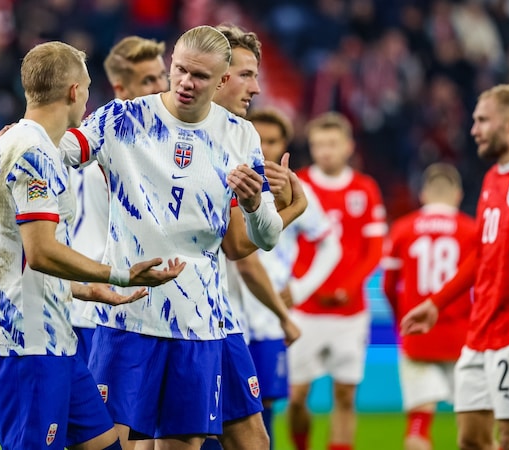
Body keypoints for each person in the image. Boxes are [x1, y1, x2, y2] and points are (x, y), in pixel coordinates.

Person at [61, 26, 285, 450]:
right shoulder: (120, 119)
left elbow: (267, 236)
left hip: (198, 319)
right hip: (128, 315)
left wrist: (255, 205)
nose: (186, 82)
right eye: (180, 70)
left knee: (186, 443)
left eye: (200, 76)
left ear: (221, 80)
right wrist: (25, 139)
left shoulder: (240, 136)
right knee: (107, 442)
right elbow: (61, 152)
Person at [0, 41, 184, 450]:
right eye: (88, 89)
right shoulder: (32, 150)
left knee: (107, 444)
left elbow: (25, 257)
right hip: (29, 343)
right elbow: (40, 252)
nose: (89, 99)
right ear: (74, 92)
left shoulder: (23, 143)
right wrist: (120, 274)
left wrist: (90, 291)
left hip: (57, 337)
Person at [401, 83, 509, 450]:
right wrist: (437, 302)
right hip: (480, 330)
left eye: (482, 120)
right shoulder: (492, 179)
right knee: (470, 439)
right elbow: (481, 256)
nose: (474, 129)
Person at [203, 24, 303, 450]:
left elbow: (244, 241)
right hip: (175, 315)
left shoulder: (240, 138)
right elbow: (239, 249)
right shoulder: (159, 129)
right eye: (246, 74)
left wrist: (276, 209)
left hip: (217, 314)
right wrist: (293, 209)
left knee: (249, 436)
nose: (257, 87)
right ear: (219, 75)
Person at [289, 111, 387, 450]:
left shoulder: (365, 188)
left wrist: (349, 286)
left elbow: (375, 250)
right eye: (318, 144)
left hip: (350, 312)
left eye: (332, 144)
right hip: (304, 310)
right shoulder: (297, 184)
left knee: (345, 395)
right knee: (297, 396)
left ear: (348, 146)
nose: (325, 151)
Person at [245, 107, 341, 450]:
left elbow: (331, 245)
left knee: (266, 408)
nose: (264, 147)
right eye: (257, 139)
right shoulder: (227, 180)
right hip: (228, 315)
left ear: (284, 145)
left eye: (273, 141)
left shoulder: (298, 190)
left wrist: (299, 289)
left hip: (269, 319)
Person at [70, 35, 169, 367]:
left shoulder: (84, 138)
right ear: (120, 90)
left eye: (161, 76)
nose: (160, 87)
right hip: (107, 302)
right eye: (148, 80)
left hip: (92, 298)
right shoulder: (122, 146)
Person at [381, 163, 476, 450]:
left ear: (422, 194)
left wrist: (403, 323)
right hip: (462, 337)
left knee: (418, 427)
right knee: (474, 429)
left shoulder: (402, 228)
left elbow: (388, 286)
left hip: (418, 338)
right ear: (458, 194)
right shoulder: (471, 231)